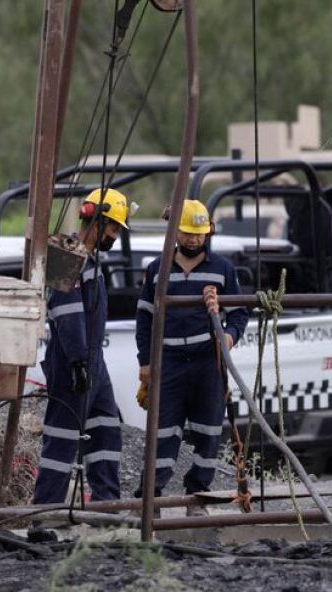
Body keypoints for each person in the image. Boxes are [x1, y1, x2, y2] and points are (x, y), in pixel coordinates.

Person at [135, 199, 248, 515]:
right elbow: (144, 319)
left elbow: (239, 313)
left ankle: (198, 495)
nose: (194, 240)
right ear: (175, 232)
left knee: (209, 430)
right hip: (168, 359)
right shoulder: (157, 270)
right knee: (163, 431)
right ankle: (150, 497)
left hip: (207, 361)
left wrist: (229, 336)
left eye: (199, 234)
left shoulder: (223, 270)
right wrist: (145, 362)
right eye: (187, 234)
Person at [33, 188, 133, 505]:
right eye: (114, 228)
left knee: (106, 429)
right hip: (71, 363)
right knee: (62, 437)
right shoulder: (66, 253)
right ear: (97, 221)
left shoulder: (92, 260)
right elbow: (67, 310)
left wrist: (89, 362)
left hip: (94, 362)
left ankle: (106, 504)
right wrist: (78, 361)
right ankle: (44, 511)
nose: (115, 236)